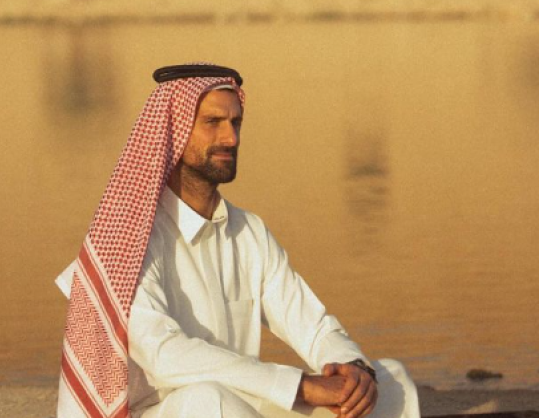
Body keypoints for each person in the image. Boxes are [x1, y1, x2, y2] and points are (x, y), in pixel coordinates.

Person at [55, 64, 420, 418]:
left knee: (391, 381)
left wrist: (354, 370)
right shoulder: (129, 240)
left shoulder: (249, 232)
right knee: (207, 400)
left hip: (240, 405)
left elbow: (310, 324)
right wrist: (299, 386)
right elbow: (165, 356)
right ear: (172, 132)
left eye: (235, 123)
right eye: (213, 122)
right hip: (159, 411)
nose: (230, 138)